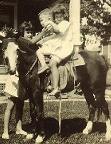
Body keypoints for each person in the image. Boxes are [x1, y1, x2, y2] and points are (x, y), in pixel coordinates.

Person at [36, 4, 73, 95]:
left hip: (64, 48)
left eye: (60, 17)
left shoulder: (65, 23)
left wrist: (50, 22)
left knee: (53, 63)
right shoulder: (59, 24)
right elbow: (53, 36)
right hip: (59, 47)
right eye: (56, 17)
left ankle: (56, 88)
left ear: (64, 15)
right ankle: (44, 67)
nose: (58, 19)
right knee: (39, 51)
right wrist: (43, 40)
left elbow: (57, 31)